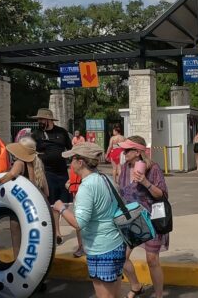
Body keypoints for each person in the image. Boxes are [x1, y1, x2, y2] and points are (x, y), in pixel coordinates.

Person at [52, 142, 125, 298]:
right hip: (116, 243)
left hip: (101, 248)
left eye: (72, 159)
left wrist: (61, 207)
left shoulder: (87, 186)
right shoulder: (105, 178)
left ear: (81, 162)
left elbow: (79, 223)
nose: (69, 163)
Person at [117, 136, 168, 298]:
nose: (124, 153)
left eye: (127, 150)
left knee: (152, 260)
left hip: (152, 218)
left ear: (138, 152)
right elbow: (122, 192)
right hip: (131, 219)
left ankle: (159, 295)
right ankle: (136, 285)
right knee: (121, 257)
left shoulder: (153, 168)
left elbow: (162, 195)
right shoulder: (124, 168)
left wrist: (145, 182)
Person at [31, 108, 72, 245]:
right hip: (45, 172)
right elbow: (30, 151)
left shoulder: (62, 132)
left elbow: (70, 149)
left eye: (41, 119)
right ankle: (54, 232)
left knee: (61, 203)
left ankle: (57, 231)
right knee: (50, 203)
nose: (39, 122)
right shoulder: (35, 134)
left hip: (62, 172)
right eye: (38, 119)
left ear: (48, 120)